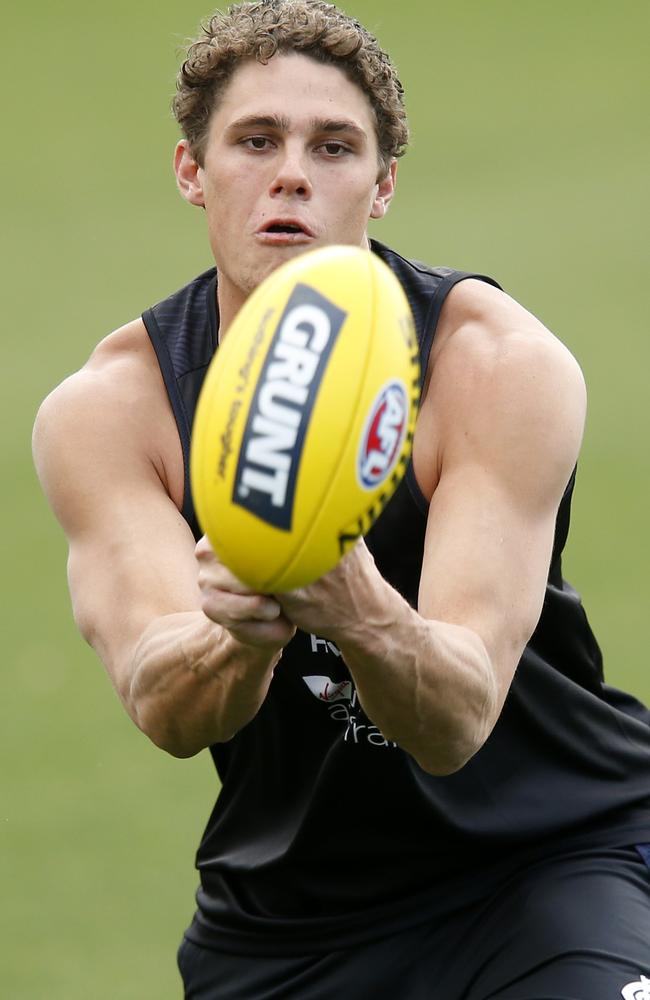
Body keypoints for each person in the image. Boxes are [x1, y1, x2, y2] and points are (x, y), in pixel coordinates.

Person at [33, 1, 650, 997]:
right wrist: (238, 625)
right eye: (254, 141)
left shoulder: (492, 368)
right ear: (193, 172)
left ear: (383, 183)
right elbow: (163, 702)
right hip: (288, 917)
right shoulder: (115, 413)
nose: (290, 174)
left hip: (542, 866)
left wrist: (346, 598)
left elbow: (456, 721)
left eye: (332, 146)